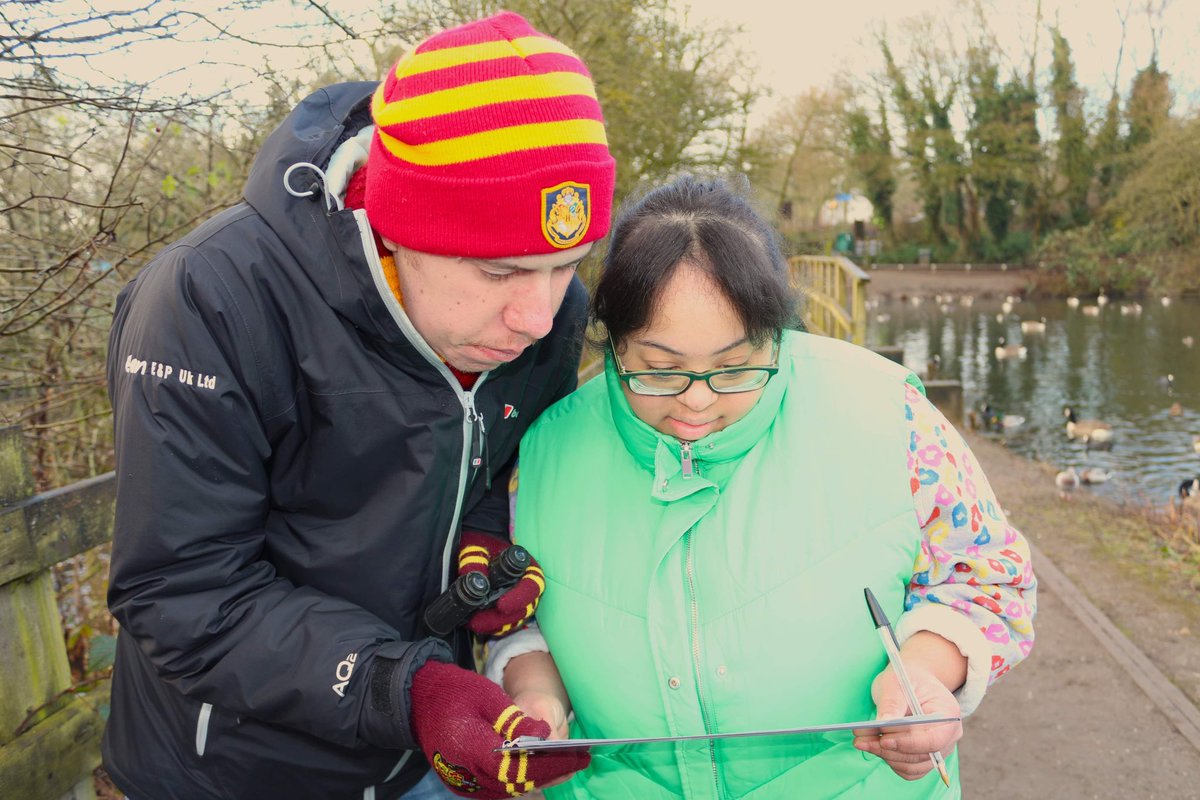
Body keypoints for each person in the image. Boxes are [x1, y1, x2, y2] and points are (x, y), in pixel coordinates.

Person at [102, 12, 614, 800]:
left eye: (565, 266)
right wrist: (404, 690)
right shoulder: (211, 299)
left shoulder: (547, 316)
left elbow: (486, 462)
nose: (540, 319)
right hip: (232, 771)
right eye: (500, 270)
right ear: (400, 225)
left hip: (423, 758)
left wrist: (483, 541)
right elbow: (182, 592)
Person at [489, 175, 1037, 799]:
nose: (697, 400)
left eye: (734, 366)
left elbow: (987, 578)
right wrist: (535, 696)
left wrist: (921, 676)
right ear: (612, 343)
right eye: (660, 369)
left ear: (776, 327)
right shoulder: (544, 451)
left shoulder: (892, 417)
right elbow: (516, 621)